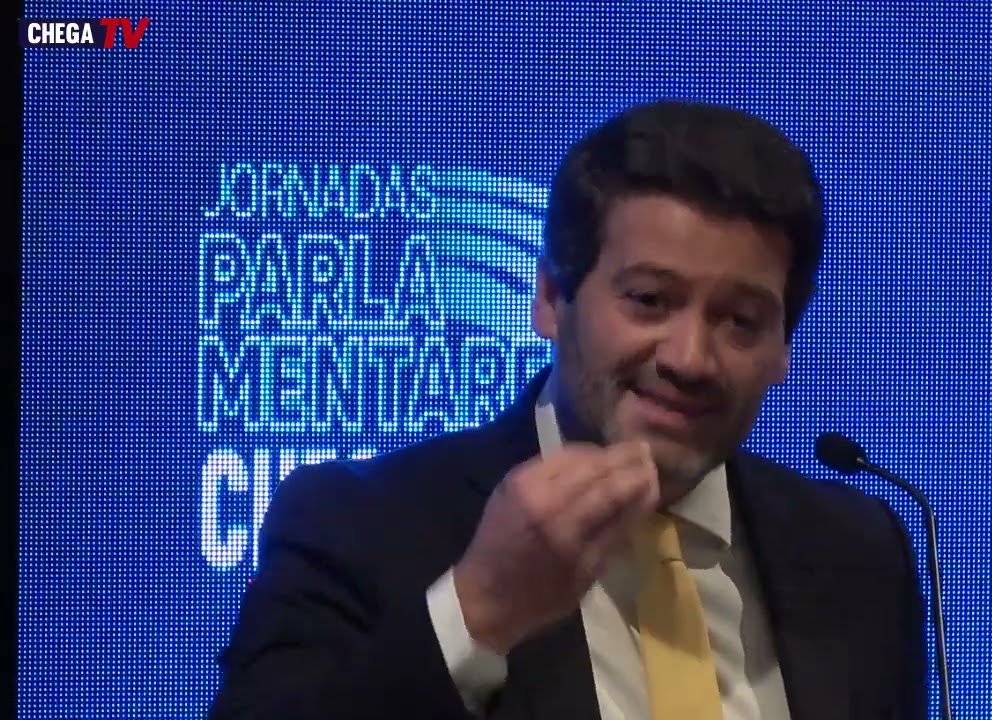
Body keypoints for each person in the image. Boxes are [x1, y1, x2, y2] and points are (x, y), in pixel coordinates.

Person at [211, 100, 927, 720]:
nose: (690, 358)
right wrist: (478, 611)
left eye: (741, 320)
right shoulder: (360, 525)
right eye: (650, 300)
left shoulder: (857, 552)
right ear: (552, 300)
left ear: (783, 349)